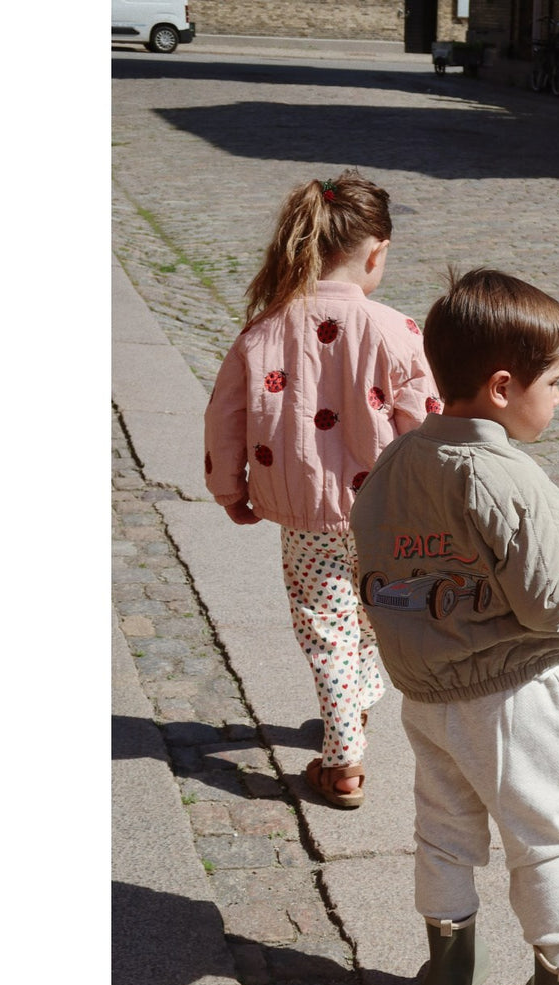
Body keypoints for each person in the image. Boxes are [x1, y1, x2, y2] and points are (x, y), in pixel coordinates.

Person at [350, 268, 559, 985]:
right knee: (542, 838)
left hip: (425, 694)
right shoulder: (506, 475)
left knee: (443, 832)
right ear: (505, 386)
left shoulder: (398, 462)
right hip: (509, 694)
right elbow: (549, 601)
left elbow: (368, 555)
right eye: (556, 382)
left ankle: (445, 980)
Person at [203, 170, 438, 809]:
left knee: (326, 628)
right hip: (387, 519)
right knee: (371, 618)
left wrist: (232, 489)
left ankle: (344, 756)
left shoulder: (265, 329)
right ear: (375, 251)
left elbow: (225, 415)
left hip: (307, 519)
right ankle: (350, 728)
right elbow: (426, 424)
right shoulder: (398, 330)